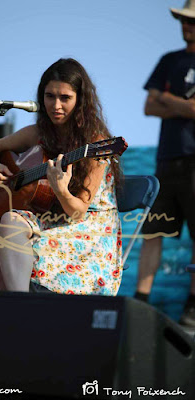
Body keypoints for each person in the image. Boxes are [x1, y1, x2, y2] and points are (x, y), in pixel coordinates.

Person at [0, 58, 123, 296]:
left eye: (65, 98)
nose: (56, 105)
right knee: (9, 222)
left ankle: (21, 312)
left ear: (80, 100)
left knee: (4, 257)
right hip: (54, 220)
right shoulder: (38, 133)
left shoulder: (96, 143)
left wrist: (61, 190)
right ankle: (22, 310)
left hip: (89, 228)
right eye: (50, 96)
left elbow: (78, 212)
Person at [135, 0, 195, 327]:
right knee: (153, 232)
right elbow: (148, 106)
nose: (187, 25)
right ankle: (140, 302)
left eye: (192, 21)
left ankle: (193, 306)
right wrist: (184, 104)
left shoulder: (168, 72)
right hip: (166, 161)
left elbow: (159, 101)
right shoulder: (168, 60)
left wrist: (166, 98)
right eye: (184, 20)